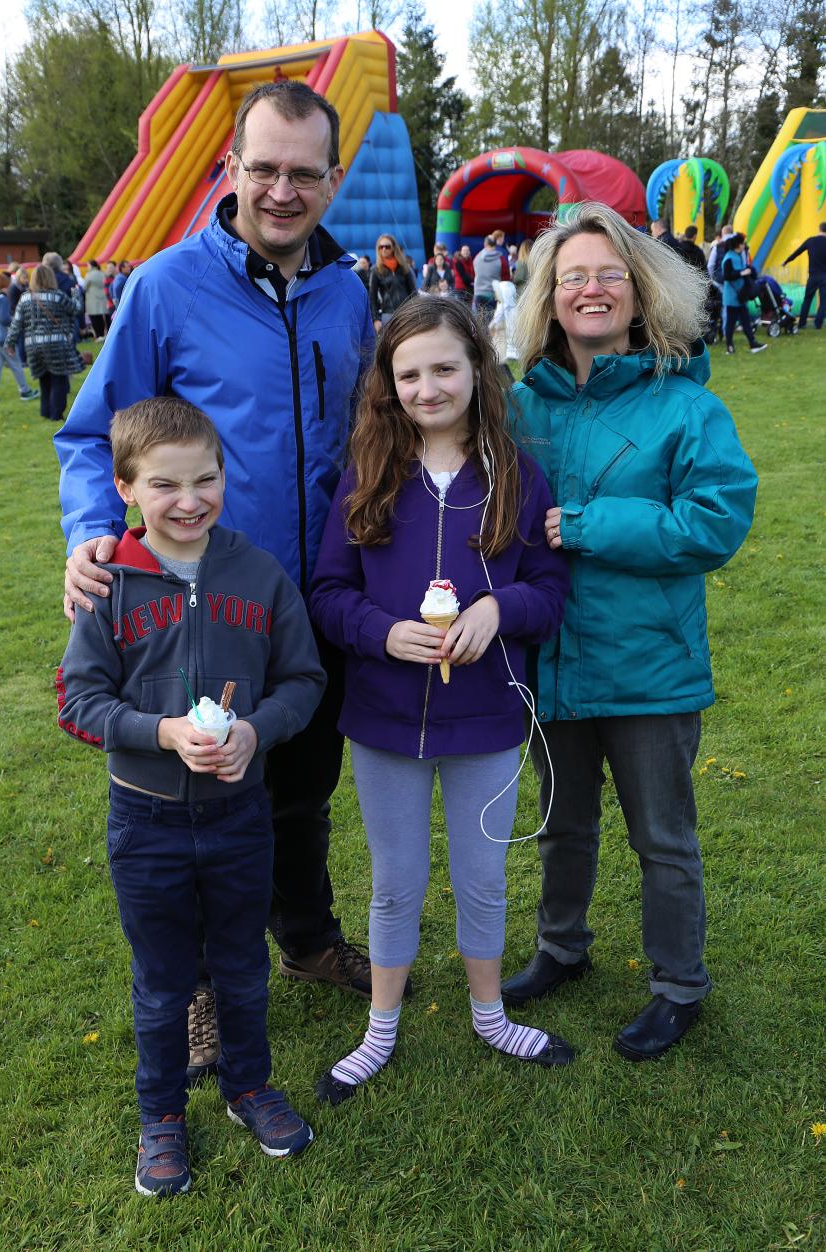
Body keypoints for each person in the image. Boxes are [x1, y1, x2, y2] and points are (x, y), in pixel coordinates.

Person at [55, 79, 377, 1087]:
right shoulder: (162, 287)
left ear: (331, 179)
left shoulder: (347, 290)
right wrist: (90, 533)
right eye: (263, 168)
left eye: (303, 173)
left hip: (313, 600)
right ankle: (195, 985)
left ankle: (306, 933)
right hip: (197, 604)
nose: (282, 190)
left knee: (300, 781)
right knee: (199, 794)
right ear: (228, 171)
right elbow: (87, 437)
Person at [501, 202, 758, 1061]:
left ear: (643, 291)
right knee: (560, 822)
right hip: (552, 658)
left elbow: (714, 523)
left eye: (609, 273)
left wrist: (586, 524)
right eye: (571, 275)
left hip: (649, 662)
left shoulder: (684, 408)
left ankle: (678, 983)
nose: (591, 289)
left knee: (661, 836)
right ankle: (560, 949)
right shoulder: (518, 406)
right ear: (548, 295)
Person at [57, 397, 326, 1194]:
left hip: (240, 815)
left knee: (243, 966)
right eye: (165, 485)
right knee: (165, 979)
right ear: (126, 488)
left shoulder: (258, 572)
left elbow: (304, 679)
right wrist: (161, 732)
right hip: (146, 821)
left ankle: (248, 1086)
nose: (189, 501)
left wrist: (258, 732)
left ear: (224, 475)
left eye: (206, 479)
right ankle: (162, 1114)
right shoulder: (109, 582)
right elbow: (78, 703)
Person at [308, 297, 573, 1105]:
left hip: (488, 718)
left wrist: (501, 611)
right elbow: (327, 591)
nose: (428, 387)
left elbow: (550, 589)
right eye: (409, 373)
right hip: (384, 721)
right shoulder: (368, 477)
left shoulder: (517, 477)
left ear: (476, 371)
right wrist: (381, 633)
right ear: (388, 384)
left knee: (483, 876)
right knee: (394, 884)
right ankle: (380, 1027)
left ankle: (489, 1013)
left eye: (444, 368)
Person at [5, 264, 84, 421]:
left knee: (44, 379)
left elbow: (17, 322)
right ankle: (56, 414)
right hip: (57, 344)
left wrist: (10, 342)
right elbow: (76, 309)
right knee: (59, 379)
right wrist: (76, 293)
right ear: (51, 278)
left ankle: (46, 412)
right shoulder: (58, 296)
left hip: (33, 346)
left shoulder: (25, 297)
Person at [0, 272, 39, 402]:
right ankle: (25, 391)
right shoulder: (1, 299)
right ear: (3, 285)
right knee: (16, 364)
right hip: (4, 339)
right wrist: (16, 320)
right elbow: (4, 319)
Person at [721, 234, 767, 354]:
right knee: (731, 322)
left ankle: (752, 343)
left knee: (745, 320)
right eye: (743, 243)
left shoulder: (737, 256)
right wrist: (742, 272)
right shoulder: (729, 258)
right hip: (732, 296)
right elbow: (726, 276)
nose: (744, 245)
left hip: (740, 295)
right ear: (738, 245)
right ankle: (730, 346)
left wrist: (749, 271)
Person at [782, 221, 826, 330]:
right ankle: (818, 323)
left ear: (819, 229)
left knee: (807, 300)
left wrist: (786, 261)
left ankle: (802, 323)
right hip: (825, 276)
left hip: (813, 276)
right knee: (824, 301)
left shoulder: (810, 241)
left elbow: (797, 252)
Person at [369, 234, 416, 330]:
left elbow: (413, 292)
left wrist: (415, 311)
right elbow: (372, 297)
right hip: (387, 314)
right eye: (381, 247)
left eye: (387, 246)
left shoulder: (405, 267)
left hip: (406, 312)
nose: (384, 249)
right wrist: (376, 319)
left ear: (394, 247)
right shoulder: (376, 269)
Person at [473, 236, 510, 321]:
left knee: (478, 320)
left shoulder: (477, 257)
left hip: (478, 292)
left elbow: (473, 272)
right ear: (495, 244)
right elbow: (506, 278)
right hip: (493, 294)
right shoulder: (501, 259)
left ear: (485, 244)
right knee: (491, 321)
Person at [83, 259, 108, 338]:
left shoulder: (89, 275)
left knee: (94, 318)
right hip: (102, 297)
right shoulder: (102, 273)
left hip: (92, 299)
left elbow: (84, 287)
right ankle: (102, 334)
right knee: (101, 317)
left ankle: (98, 335)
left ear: (91, 266)